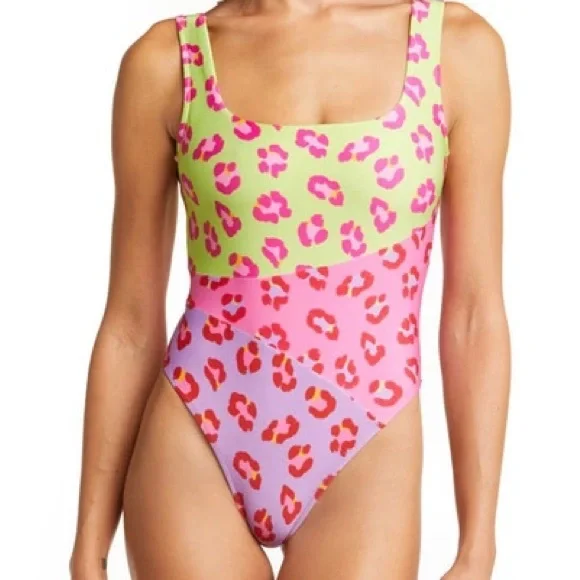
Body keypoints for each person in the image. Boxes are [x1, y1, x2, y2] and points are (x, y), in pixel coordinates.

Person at [70, 0, 511, 578]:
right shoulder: (166, 61)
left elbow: (474, 313)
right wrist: (89, 546)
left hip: (369, 438)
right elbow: (130, 323)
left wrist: (478, 544)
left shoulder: (456, 47)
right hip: (198, 425)